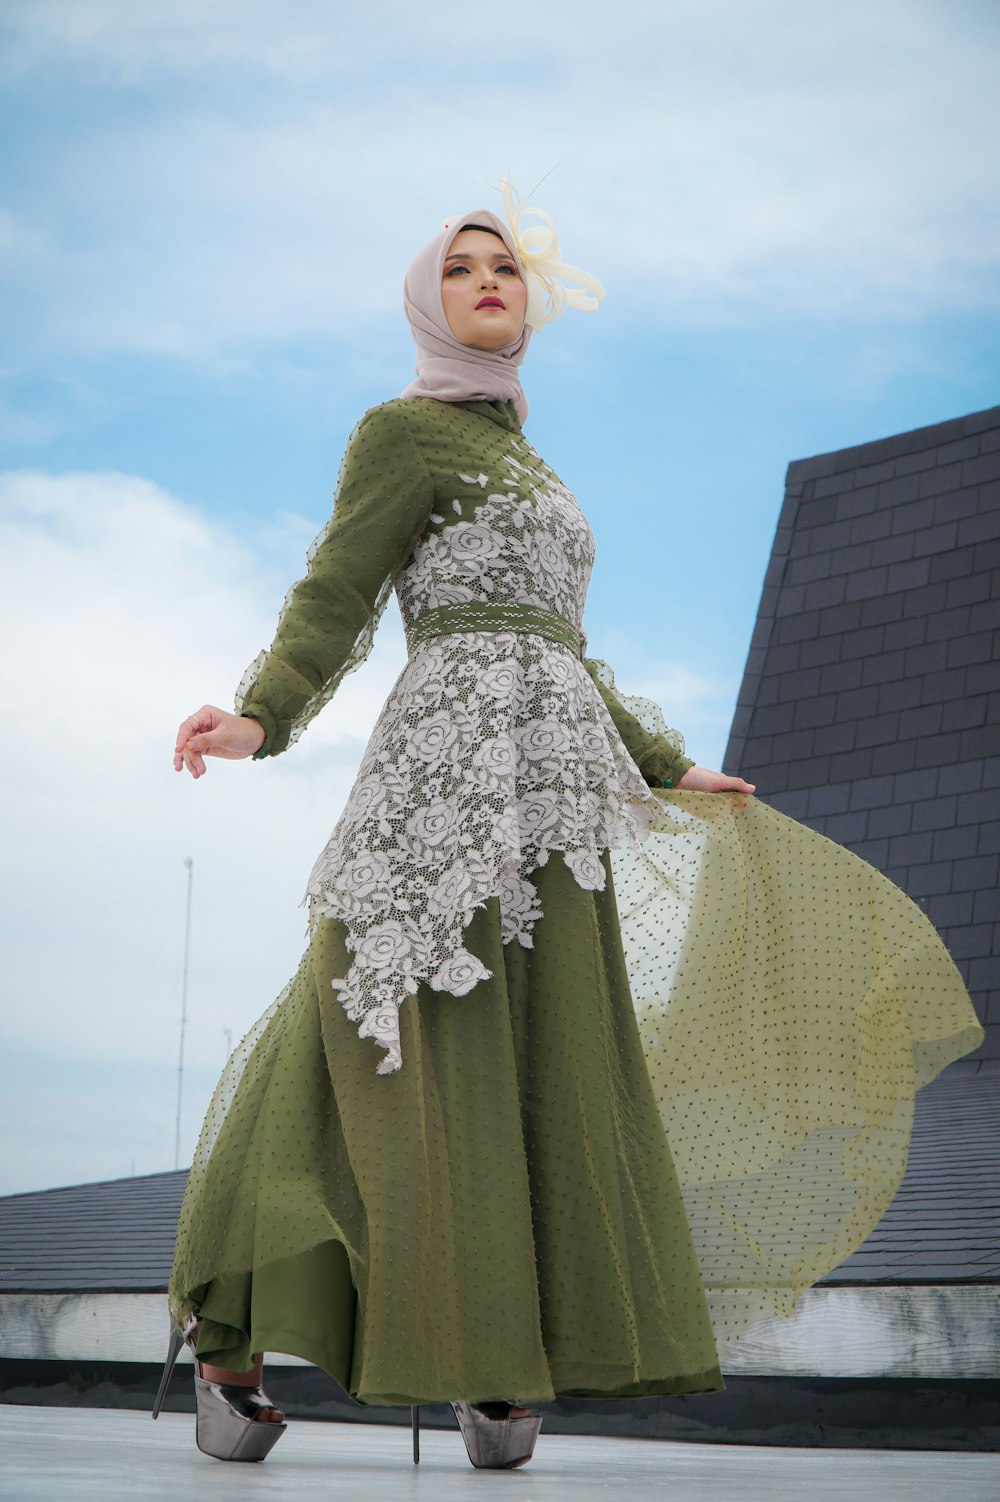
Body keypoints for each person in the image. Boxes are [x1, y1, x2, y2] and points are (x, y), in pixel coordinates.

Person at [154, 184, 984, 1470]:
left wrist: (662, 759)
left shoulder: (533, 460)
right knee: (365, 1035)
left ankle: (500, 1358)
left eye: (505, 268)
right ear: (427, 300)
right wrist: (262, 714)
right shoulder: (404, 433)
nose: (489, 281)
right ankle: (227, 1335)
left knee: (536, 1058)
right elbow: (334, 593)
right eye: (461, 268)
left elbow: (569, 650)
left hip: (557, 792)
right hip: (444, 775)